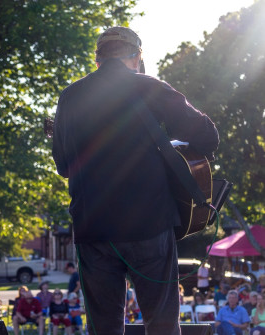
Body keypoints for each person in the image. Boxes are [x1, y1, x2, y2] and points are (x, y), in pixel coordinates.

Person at [52, 26, 219, 335]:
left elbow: (63, 165)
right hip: (149, 225)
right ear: (138, 57)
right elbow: (208, 137)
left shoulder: (70, 96)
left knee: (104, 328)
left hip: (94, 230)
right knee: (162, 325)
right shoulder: (150, 87)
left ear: (98, 59)